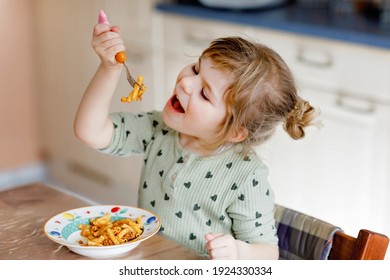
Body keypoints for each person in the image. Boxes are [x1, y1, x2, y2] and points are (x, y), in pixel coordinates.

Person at [74, 22, 318, 260]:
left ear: (235, 131)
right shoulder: (158, 128)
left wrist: (238, 252)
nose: (186, 83)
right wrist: (109, 68)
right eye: (196, 69)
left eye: (204, 94)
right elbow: (91, 131)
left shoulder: (247, 176)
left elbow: (267, 253)